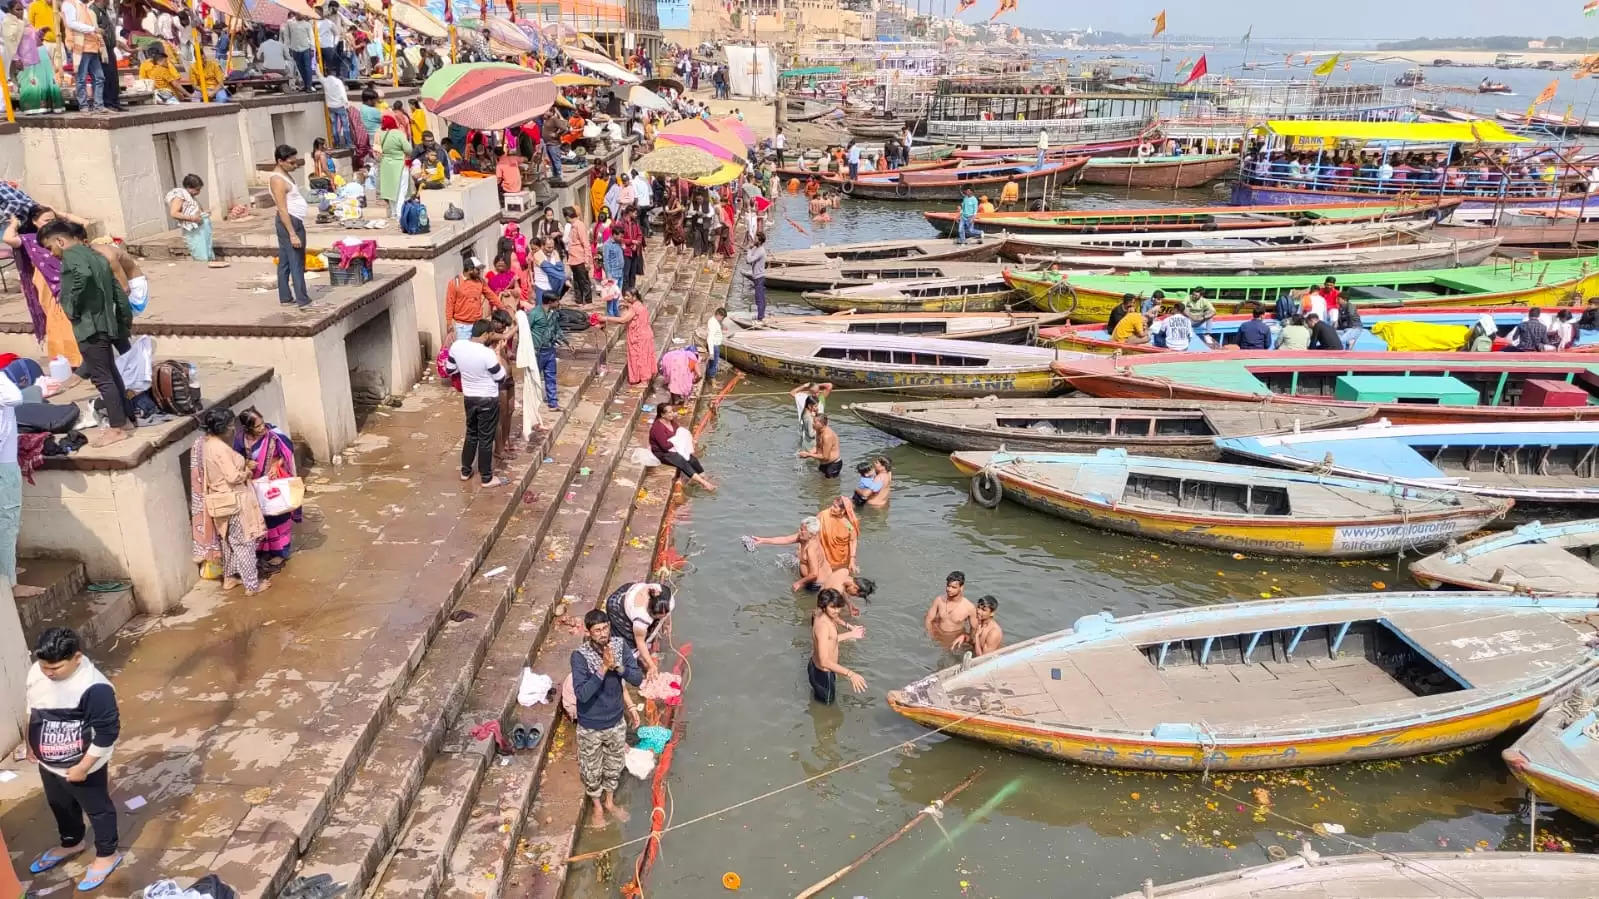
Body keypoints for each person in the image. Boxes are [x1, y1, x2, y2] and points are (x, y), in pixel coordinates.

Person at [25, 626, 123, 891]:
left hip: (83, 765)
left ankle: (107, 854)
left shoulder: (95, 688)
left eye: (55, 668)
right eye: (44, 666)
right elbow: (32, 709)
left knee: (98, 809)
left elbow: (106, 733)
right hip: (49, 763)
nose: (48, 672)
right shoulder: (38, 671)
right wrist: (29, 743)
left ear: (77, 658)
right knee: (60, 804)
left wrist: (83, 767)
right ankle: (71, 842)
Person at [39, 220, 133, 445]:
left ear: (60, 241)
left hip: (90, 326)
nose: (52, 255)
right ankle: (126, 419)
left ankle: (117, 428)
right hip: (107, 324)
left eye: (50, 248)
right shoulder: (96, 255)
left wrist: (71, 303)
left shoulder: (72, 256)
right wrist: (123, 322)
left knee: (102, 378)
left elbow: (83, 276)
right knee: (110, 372)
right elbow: (119, 293)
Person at [570, 608, 642, 829]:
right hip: (591, 724)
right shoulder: (580, 656)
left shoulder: (620, 647)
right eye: (597, 630)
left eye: (605, 628)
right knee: (591, 770)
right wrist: (602, 668)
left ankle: (609, 802)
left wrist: (617, 667)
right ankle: (597, 807)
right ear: (588, 632)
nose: (602, 633)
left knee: (614, 765)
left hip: (615, 721)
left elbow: (637, 678)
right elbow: (582, 693)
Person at [195, 407, 271, 594]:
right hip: (233, 501)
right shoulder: (219, 448)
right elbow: (233, 476)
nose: (232, 429)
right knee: (244, 543)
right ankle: (252, 585)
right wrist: (247, 470)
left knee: (228, 541)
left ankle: (229, 578)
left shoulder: (206, 443)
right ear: (222, 427)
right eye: (230, 425)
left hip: (220, 502)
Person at [232, 408, 298, 576]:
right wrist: (247, 463)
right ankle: (264, 551)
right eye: (257, 426)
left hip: (274, 481)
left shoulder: (274, 434)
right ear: (248, 428)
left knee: (278, 515)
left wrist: (277, 464)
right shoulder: (241, 440)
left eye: (262, 424)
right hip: (255, 484)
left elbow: (287, 451)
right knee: (261, 517)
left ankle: (280, 551)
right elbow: (236, 460)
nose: (262, 428)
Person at [444, 319, 509, 488]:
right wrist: (497, 355)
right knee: (486, 438)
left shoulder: (458, 346)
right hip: (487, 398)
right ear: (486, 334)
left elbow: (449, 369)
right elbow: (501, 377)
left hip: (470, 398)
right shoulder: (487, 353)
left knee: (471, 433)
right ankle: (486, 477)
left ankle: (465, 471)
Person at [267, 144, 311, 308]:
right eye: (291, 163)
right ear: (280, 161)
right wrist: (292, 233)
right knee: (296, 261)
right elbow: (282, 208)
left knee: (285, 260)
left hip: (294, 219)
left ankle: (285, 297)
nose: (295, 165)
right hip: (290, 222)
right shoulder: (277, 180)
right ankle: (302, 299)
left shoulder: (284, 175)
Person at [809, 589, 866, 703]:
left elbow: (830, 641)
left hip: (815, 668)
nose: (837, 611)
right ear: (824, 606)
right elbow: (824, 661)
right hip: (823, 674)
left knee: (819, 699)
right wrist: (851, 674)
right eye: (833, 607)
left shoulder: (819, 614)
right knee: (828, 712)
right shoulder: (824, 627)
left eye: (839, 607)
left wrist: (850, 630)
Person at [749, 515, 831, 592]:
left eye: (802, 530)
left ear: (811, 534)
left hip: (817, 584)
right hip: (815, 576)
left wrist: (799, 583)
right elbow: (786, 539)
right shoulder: (804, 537)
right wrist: (763, 540)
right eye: (800, 528)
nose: (799, 531)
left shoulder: (811, 549)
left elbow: (814, 574)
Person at [649, 404, 715, 492]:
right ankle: (704, 483)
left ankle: (703, 476)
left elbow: (679, 431)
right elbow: (665, 446)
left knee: (691, 459)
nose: (672, 414)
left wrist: (688, 441)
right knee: (681, 460)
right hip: (662, 453)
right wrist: (677, 441)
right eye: (669, 412)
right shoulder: (657, 428)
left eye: (672, 411)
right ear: (662, 415)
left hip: (674, 448)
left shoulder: (671, 422)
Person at [600, 290, 655, 387]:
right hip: (645, 334)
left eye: (628, 296)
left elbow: (622, 320)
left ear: (634, 297)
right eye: (625, 296)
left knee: (640, 357)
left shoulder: (635, 308)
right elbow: (626, 316)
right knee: (644, 356)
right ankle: (642, 378)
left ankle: (644, 381)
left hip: (639, 337)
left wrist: (605, 318)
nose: (625, 298)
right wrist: (625, 307)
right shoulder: (639, 305)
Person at [59, 0, 104, 112]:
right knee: (81, 78)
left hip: (93, 46)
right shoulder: (69, 4)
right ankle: (83, 106)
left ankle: (98, 105)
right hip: (80, 46)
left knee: (99, 77)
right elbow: (71, 23)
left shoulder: (86, 6)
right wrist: (93, 29)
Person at [165, 173, 216, 263]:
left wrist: (204, 213)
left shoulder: (190, 197)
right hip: (194, 230)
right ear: (189, 187)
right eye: (197, 189)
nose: (198, 192)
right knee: (199, 251)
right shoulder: (180, 196)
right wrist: (192, 218)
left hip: (201, 228)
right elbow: (174, 213)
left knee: (206, 249)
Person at [524, 289, 561, 412]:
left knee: (551, 376)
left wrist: (567, 342)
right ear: (550, 302)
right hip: (537, 351)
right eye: (556, 301)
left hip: (550, 349)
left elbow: (557, 329)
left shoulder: (554, 314)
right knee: (534, 376)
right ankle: (532, 401)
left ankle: (553, 402)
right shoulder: (534, 313)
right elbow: (526, 330)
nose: (558, 303)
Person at [925, 571, 976, 651]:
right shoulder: (939, 600)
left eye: (953, 587)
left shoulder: (969, 607)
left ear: (961, 588)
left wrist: (967, 639)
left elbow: (974, 629)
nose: (949, 589)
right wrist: (931, 636)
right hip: (937, 638)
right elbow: (929, 619)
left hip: (955, 640)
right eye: (948, 586)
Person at [445, 259, 493, 344]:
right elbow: (450, 304)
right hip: (462, 327)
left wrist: (503, 308)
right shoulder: (454, 283)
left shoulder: (480, 281)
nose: (479, 272)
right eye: (477, 269)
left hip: (477, 325)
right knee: (464, 352)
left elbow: (491, 296)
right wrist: (449, 323)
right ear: (470, 269)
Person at [377, 114, 412, 209]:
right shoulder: (399, 134)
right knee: (401, 190)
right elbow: (408, 149)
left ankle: (393, 212)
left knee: (391, 191)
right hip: (399, 164)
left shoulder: (382, 135)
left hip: (386, 164)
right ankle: (400, 213)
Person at [791, 381, 832, 452]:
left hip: (818, 428)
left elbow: (829, 385)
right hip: (808, 430)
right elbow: (792, 393)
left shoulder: (821, 398)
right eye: (814, 392)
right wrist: (805, 386)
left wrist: (814, 385)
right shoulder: (804, 399)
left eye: (818, 392)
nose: (816, 394)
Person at [798, 412, 842, 478]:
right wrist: (807, 453)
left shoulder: (827, 436)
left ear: (822, 424)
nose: (812, 424)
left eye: (815, 422)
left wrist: (809, 455)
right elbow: (818, 447)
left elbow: (825, 457)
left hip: (833, 464)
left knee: (830, 486)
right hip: (823, 464)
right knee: (821, 484)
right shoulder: (818, 431)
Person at [283, 12, 315, 89]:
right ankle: (306, 84)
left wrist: (312, 49)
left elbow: (311, 37)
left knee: (308, 67)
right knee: (300, 68)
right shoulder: (290, 23)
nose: (301, 14)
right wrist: (288, 48)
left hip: (306, 48)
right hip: (295, 49)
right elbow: (287, 36)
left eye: (302, 13)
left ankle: (309, 86)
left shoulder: (307, 24)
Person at [744, 232, 768, 320]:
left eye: (756, 239)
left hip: (759, 277)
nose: (754, 240)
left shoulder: (761, 251)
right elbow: (748, 260)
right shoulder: (756, 248)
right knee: (760, 297)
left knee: (759, 298)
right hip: (756, 277)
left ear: (760, 241)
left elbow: (749, 260)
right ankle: (761, 315)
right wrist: (750, 250)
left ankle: (760, 317)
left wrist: (749, 250)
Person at [705, 307, 726, 379]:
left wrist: (721, 325)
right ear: (719, 315)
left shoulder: (714, 320)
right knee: (714, 364)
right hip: (714, 346)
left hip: (715, 345)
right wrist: (711, 353)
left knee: (712, 364)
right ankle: (713, 382)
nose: (722, 319)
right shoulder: (713, 323)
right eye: (722, 318)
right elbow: (710, 338)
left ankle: (712, 379)